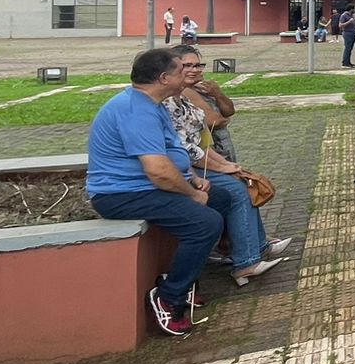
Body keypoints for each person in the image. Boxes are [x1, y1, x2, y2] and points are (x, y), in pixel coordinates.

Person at [87, 49, 226, 337]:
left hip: (145, 187)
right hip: (121, 195)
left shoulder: (152, 104)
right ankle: (169, 296)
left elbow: (170, 156)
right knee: (205, 223)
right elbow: (159, 171)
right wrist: (191, 192)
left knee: (223, 198)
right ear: (164, 78)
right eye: (179, 71)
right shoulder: (135, 110)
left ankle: (188, 276)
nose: (186, 75)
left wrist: (191, 179)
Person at [166, 45, 290, 285]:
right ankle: (246, 260)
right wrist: (222, 166)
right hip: (189, 167)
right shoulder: (176, 98)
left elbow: (226, 114)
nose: (193, 70)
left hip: (207, 157)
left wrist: (218, 94)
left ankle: (255, 248)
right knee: (237, 191)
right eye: (186, 66)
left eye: (197, 65)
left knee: (240, 184)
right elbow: (212, 127)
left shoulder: (191, 94)